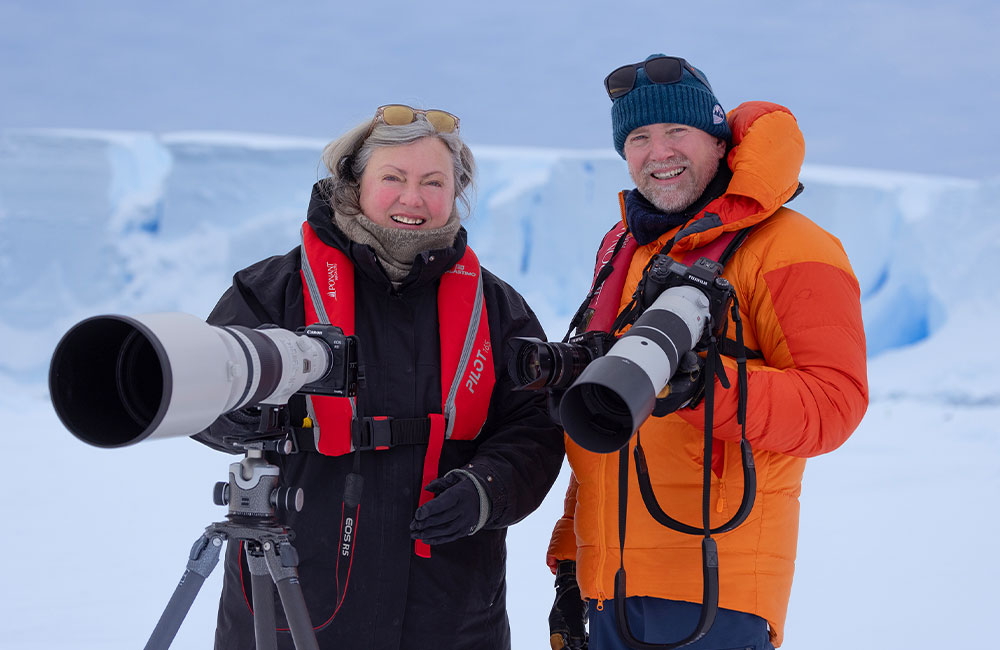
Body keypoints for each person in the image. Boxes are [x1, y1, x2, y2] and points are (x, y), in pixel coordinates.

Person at [194, 104, 565, 650]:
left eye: (433, 182)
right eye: (393, 177)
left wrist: (486, 489)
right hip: (295, 591)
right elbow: (205, 393)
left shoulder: (497, 307)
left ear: (455, 193)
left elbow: (535, 427)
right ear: (353, 181)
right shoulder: (273, 290)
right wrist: (243, 412)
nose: (412, 199)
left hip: (450, 608)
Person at [545, 55, 869, 649]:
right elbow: (606, 415)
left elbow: (833, 405)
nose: (658, 152)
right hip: (607, 591)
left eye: (677, 132)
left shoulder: (793, 246)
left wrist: (700, 387)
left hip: (715, 595)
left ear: (719, 143)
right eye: (639, 137)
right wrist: (571, 569)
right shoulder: (624, 248)